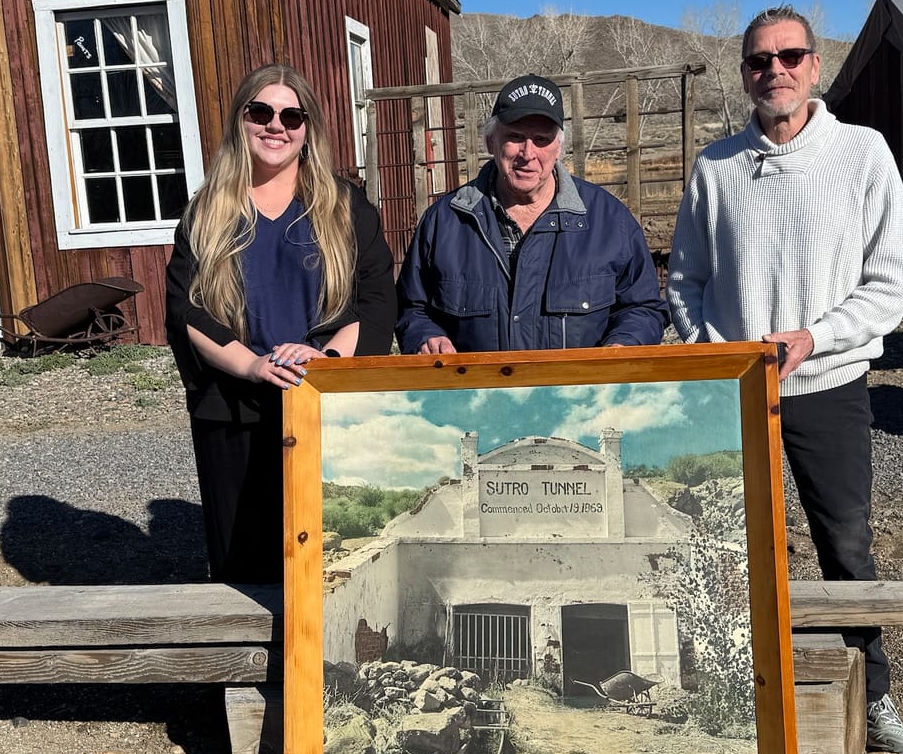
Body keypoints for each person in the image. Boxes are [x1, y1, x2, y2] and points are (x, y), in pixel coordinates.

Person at [666, 6, 903, 754]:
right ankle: (739, 699)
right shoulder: (715, 168)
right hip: (736, 392)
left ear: (815, 66)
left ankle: (872, 694)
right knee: (735, 550)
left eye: (789, 56)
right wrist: (717, 352)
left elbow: (890, 282)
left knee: (845, 546)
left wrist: (818, 337)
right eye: (758, 60)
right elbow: (685, 280)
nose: (773, 70)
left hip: (831, 386)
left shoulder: (863, 154)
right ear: (743, 74)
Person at [165, 64, 396, 583]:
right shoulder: (205, 213)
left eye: (292, 115)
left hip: (323, 405)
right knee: (244, 564)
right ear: (240, 122)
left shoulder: (345, 206)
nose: (277, 125)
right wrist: (250, 365)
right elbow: (187, 310)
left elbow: (377, 300)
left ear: (308, 129)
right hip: (236, 410)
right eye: (261, 112)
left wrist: (329, 363)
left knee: (327, 560)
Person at [395, 73, 669, 354]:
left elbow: (643, 307)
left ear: (558, 147)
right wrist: (425, 336)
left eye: (541, 139)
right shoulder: (445, 221)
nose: (528, 153)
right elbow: (412, 307)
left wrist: (622, 344)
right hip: (476, 393)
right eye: (515, 137)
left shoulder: (609, 221)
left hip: (580, 393)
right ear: (491, 142)